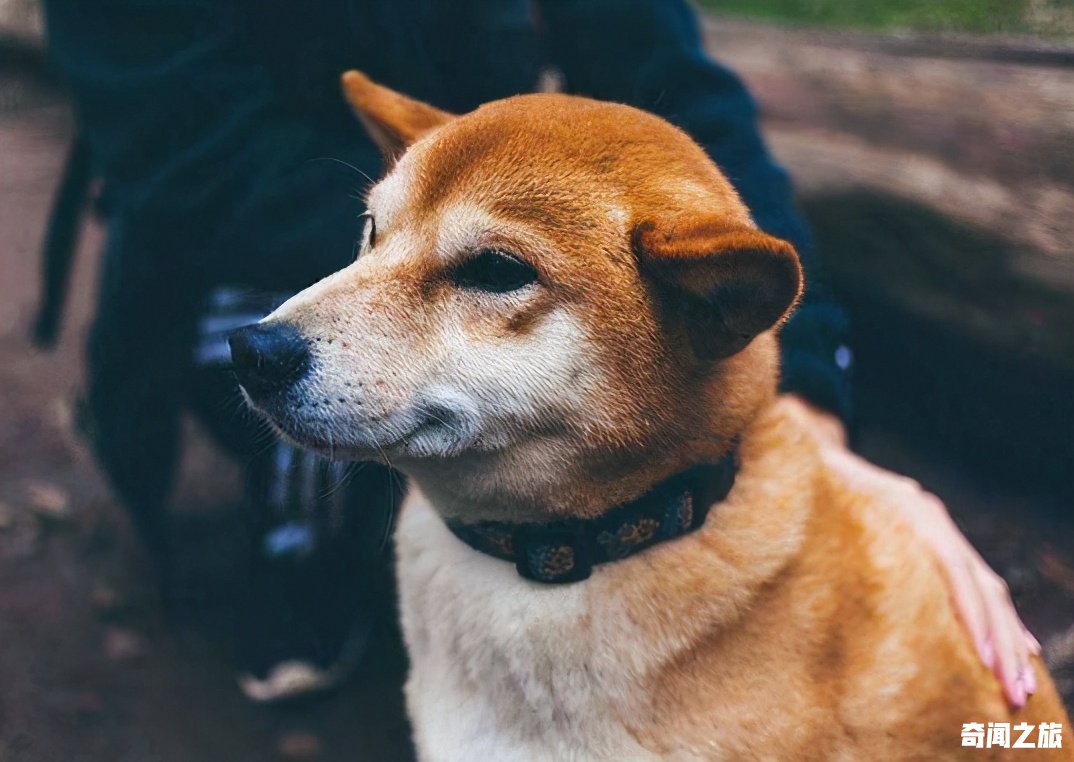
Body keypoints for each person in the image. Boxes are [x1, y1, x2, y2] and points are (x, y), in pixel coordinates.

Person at [39, 0, 1038, 707]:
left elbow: (679, 97)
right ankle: (300, 542)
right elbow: (195, 163)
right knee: (297, 367)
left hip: (466, 194)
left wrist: (807, 400)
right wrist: (452, 225)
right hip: (235, 234)